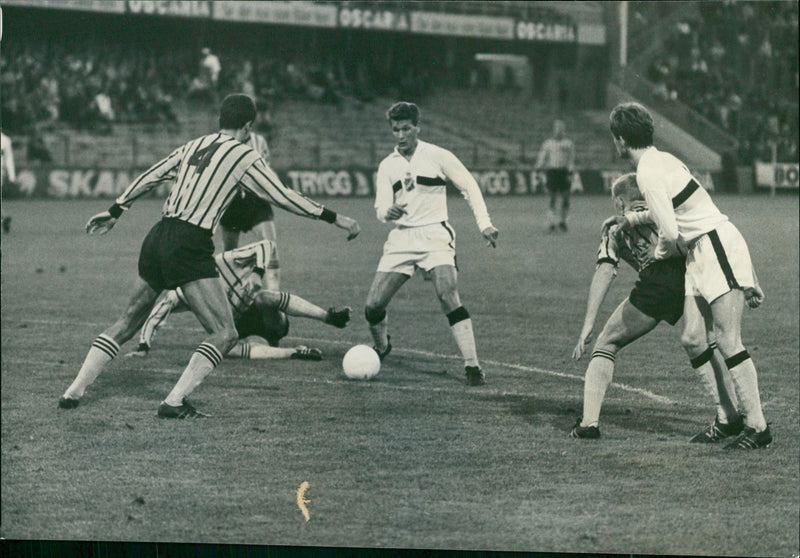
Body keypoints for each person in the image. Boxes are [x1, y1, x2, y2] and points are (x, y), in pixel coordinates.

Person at [58, 94, 361, 418]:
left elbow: (152, 174)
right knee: (225, 332)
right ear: (247, 126)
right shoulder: (243, 155)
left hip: (158, 235)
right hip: (189, 242)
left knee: (127, 322)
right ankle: (173, 402)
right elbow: (283, 196)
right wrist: (335, 217)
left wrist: (115, 210)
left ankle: (73, 392)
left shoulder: (194, 144)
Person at [606, 101, 770, 449]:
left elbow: (669, 233)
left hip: (714, 246)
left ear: (620, 140)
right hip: (703, 251)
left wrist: (657, 254)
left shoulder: (648, 172)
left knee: (728, 340)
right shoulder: (663, 160)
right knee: (694, 338)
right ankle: (727, 419)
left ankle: (758, 427)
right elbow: (676, 209)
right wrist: (631, 220)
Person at [570, 173, 741, 441]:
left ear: (619, 202)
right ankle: (731, 414)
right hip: (696, 275)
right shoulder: (666, 208)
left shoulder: (617, 225)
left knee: (606, 342)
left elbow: (604, 270)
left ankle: (588, 424)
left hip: (660, 281)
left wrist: (588, 323)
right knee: (702, 343)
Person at [364, 101, 499, 386]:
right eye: (395, 130)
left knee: (447, 293)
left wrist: (484, 224)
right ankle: (383, 345)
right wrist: (386, 212)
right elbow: (380, 206)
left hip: (435, 234)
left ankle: (472, 365)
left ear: (417, 128)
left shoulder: (437, 155)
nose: (400, 135)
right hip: (402, 237)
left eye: (406, 129)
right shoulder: (387, 166)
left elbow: (468, 186)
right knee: (373, 306)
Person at [124, 239, 351, 360]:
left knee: (264, 297)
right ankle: (294, 353)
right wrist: (144, 346)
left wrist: (257, 273)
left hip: (269, 321)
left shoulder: (225, 261)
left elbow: (267, 245)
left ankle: (328, 316)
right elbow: (158, 310)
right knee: (223, 347)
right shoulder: (185, 289)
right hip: (240, 331)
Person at [218, 126, 281, 289]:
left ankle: (274, 295)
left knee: (270, 245)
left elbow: (265, 169)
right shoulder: (221, 141)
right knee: (229, 253)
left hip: (256, 200)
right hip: (231, 201)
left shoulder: (259, 142)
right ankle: (229, 292)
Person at [535, 120, 575, 232]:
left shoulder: (568, 144)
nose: (559, 131)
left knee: (566, 198)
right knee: (552, 197)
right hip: (552, 171)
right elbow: (542, 156)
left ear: (564, 131)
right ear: (554, 131)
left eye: (561, 129)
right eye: (557, 129)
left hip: (564, 172)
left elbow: (571, 159)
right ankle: (551, 222)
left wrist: (570, 172)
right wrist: (538, 168)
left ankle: (563, 221)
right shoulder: (548, 144)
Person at [1, 132, 15, 233]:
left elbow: (9, 158)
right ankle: (4, 218)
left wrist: (12, 176)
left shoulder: (5, 140)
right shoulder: (6, 139)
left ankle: (4, 218)